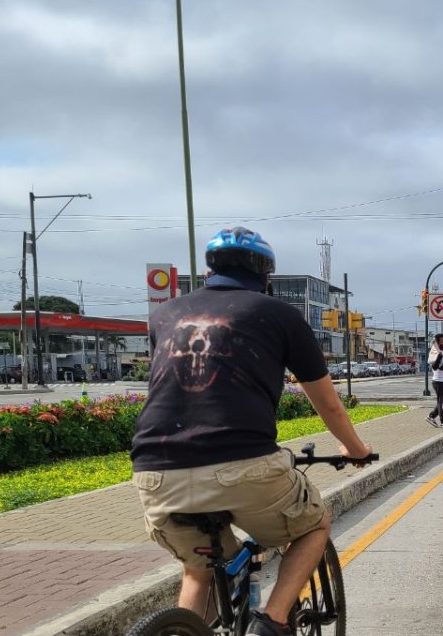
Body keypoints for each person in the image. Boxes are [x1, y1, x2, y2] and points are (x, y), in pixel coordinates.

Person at [130, 227, 373, 636]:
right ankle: (273, 620)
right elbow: (328, 402)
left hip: (155, 471)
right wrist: (356, 449)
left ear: (209, 269)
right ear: (266, 276)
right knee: (314, 524)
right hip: (242, 464)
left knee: (198, 568)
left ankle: (187, 628)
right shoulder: (278, 314)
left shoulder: (164, 314)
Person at [426, 333, 443, 427]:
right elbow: (435, 367)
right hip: (438, 381)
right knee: (442, 401)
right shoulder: (435, 352)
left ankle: (431, 416)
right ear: (437, 342)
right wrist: (439, 357)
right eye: (442, 342)